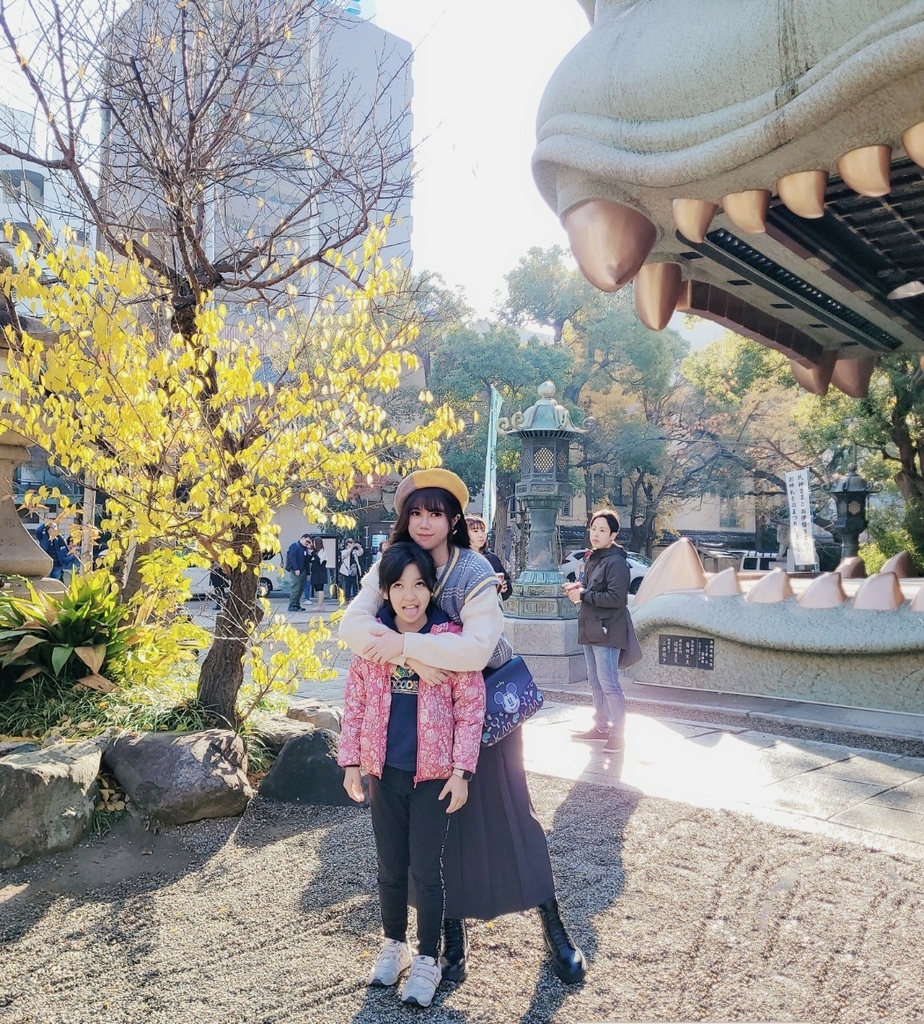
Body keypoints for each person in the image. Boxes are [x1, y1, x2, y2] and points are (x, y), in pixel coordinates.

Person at [340, 468, 586, 987]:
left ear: (453, 520)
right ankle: (450, 943)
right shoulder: (391, 565)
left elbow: (477, 648)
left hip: (483, 708)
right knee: (440, 832)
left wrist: (406, 648)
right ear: (404, 517)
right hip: (420, 717)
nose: (425, 522)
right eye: (416, 512)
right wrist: (414, 660)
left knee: (513, 815)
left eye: (436, 513)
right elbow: (353, 626)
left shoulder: (473, 570)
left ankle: (555, 930)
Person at [338, 541, 485, 1008]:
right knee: (389, 866)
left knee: (426, 869)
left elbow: (471, 708)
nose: (409, 595)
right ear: (385, 591)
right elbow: (356, 704)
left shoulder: (450, 641)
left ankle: (427, 958)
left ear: (431, 588)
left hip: (434, 776)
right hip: (385, 771)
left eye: (419, 584)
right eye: (398, 585)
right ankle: (393, 943)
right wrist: (351, 763)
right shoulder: (372, 640)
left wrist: (462, 771)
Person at [564, 510, 631, 754]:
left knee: (609, 682)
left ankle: (618, 733)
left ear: (613, 534)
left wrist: (584, 594)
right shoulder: (595, 557)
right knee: (595, 681)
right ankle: (601, 726)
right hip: (590, 626)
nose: (596, 534)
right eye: (593, 529)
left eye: (602, 530)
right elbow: (593, 590)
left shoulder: (616, 561)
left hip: (607, 629)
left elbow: (616, 598)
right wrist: (578, 588)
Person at [464, 514, 512, 601]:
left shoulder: (492, 558)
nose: (481, 535)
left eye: (483, 531)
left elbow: (507, 582)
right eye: (475, 531)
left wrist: (504, 587)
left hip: (490, 609)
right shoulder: (458, 558)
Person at [285, 533, 312, 611]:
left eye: (309, 542)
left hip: (303, 571)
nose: (307, 543)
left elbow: (306, 562)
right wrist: (296, 568)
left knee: (301, 588)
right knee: (296, 587)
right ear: (303, 538)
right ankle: (292, 604)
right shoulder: (295, 546)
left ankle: (297, 604)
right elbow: (292, 558)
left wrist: (308, 573)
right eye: (307, 541)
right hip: (296, 570)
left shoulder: (304, 549)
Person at [309, 536, 329, 611]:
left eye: (314, 543)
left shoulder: (322, 552)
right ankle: (319, 605)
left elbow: (319, 561)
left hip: (320, 572)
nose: (313, 544)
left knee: (320, 588)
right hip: (316, 572)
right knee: (317, 588)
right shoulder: (315, 552)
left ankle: (320, 606)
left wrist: (313, 554)